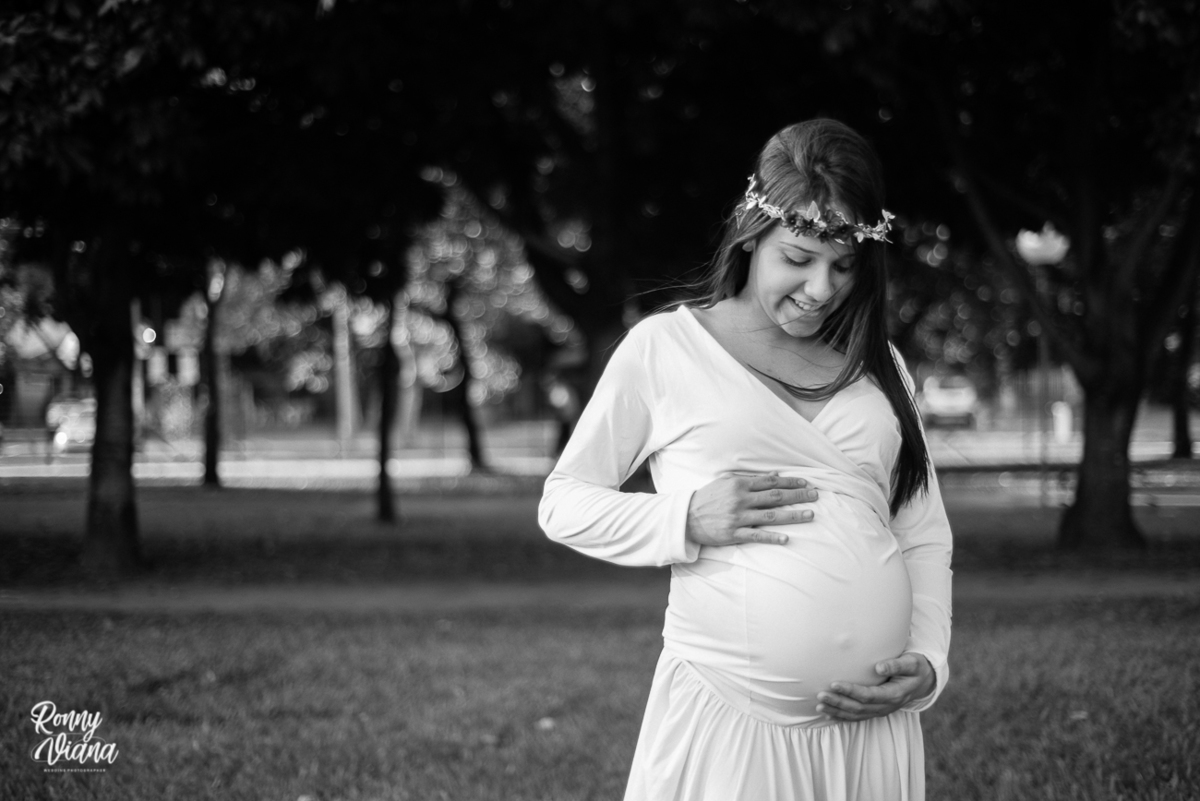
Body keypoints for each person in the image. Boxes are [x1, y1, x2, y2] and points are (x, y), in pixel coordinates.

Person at [538, 118, 953, 800]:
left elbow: (923, 530)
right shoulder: (665, 348)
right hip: (730, 722)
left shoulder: (883, 368)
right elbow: (564, 501)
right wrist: (686, 518)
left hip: (871, 731)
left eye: (844, 265)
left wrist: (929, 661)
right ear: (750, 235)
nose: (821, 288)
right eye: (798, 257)